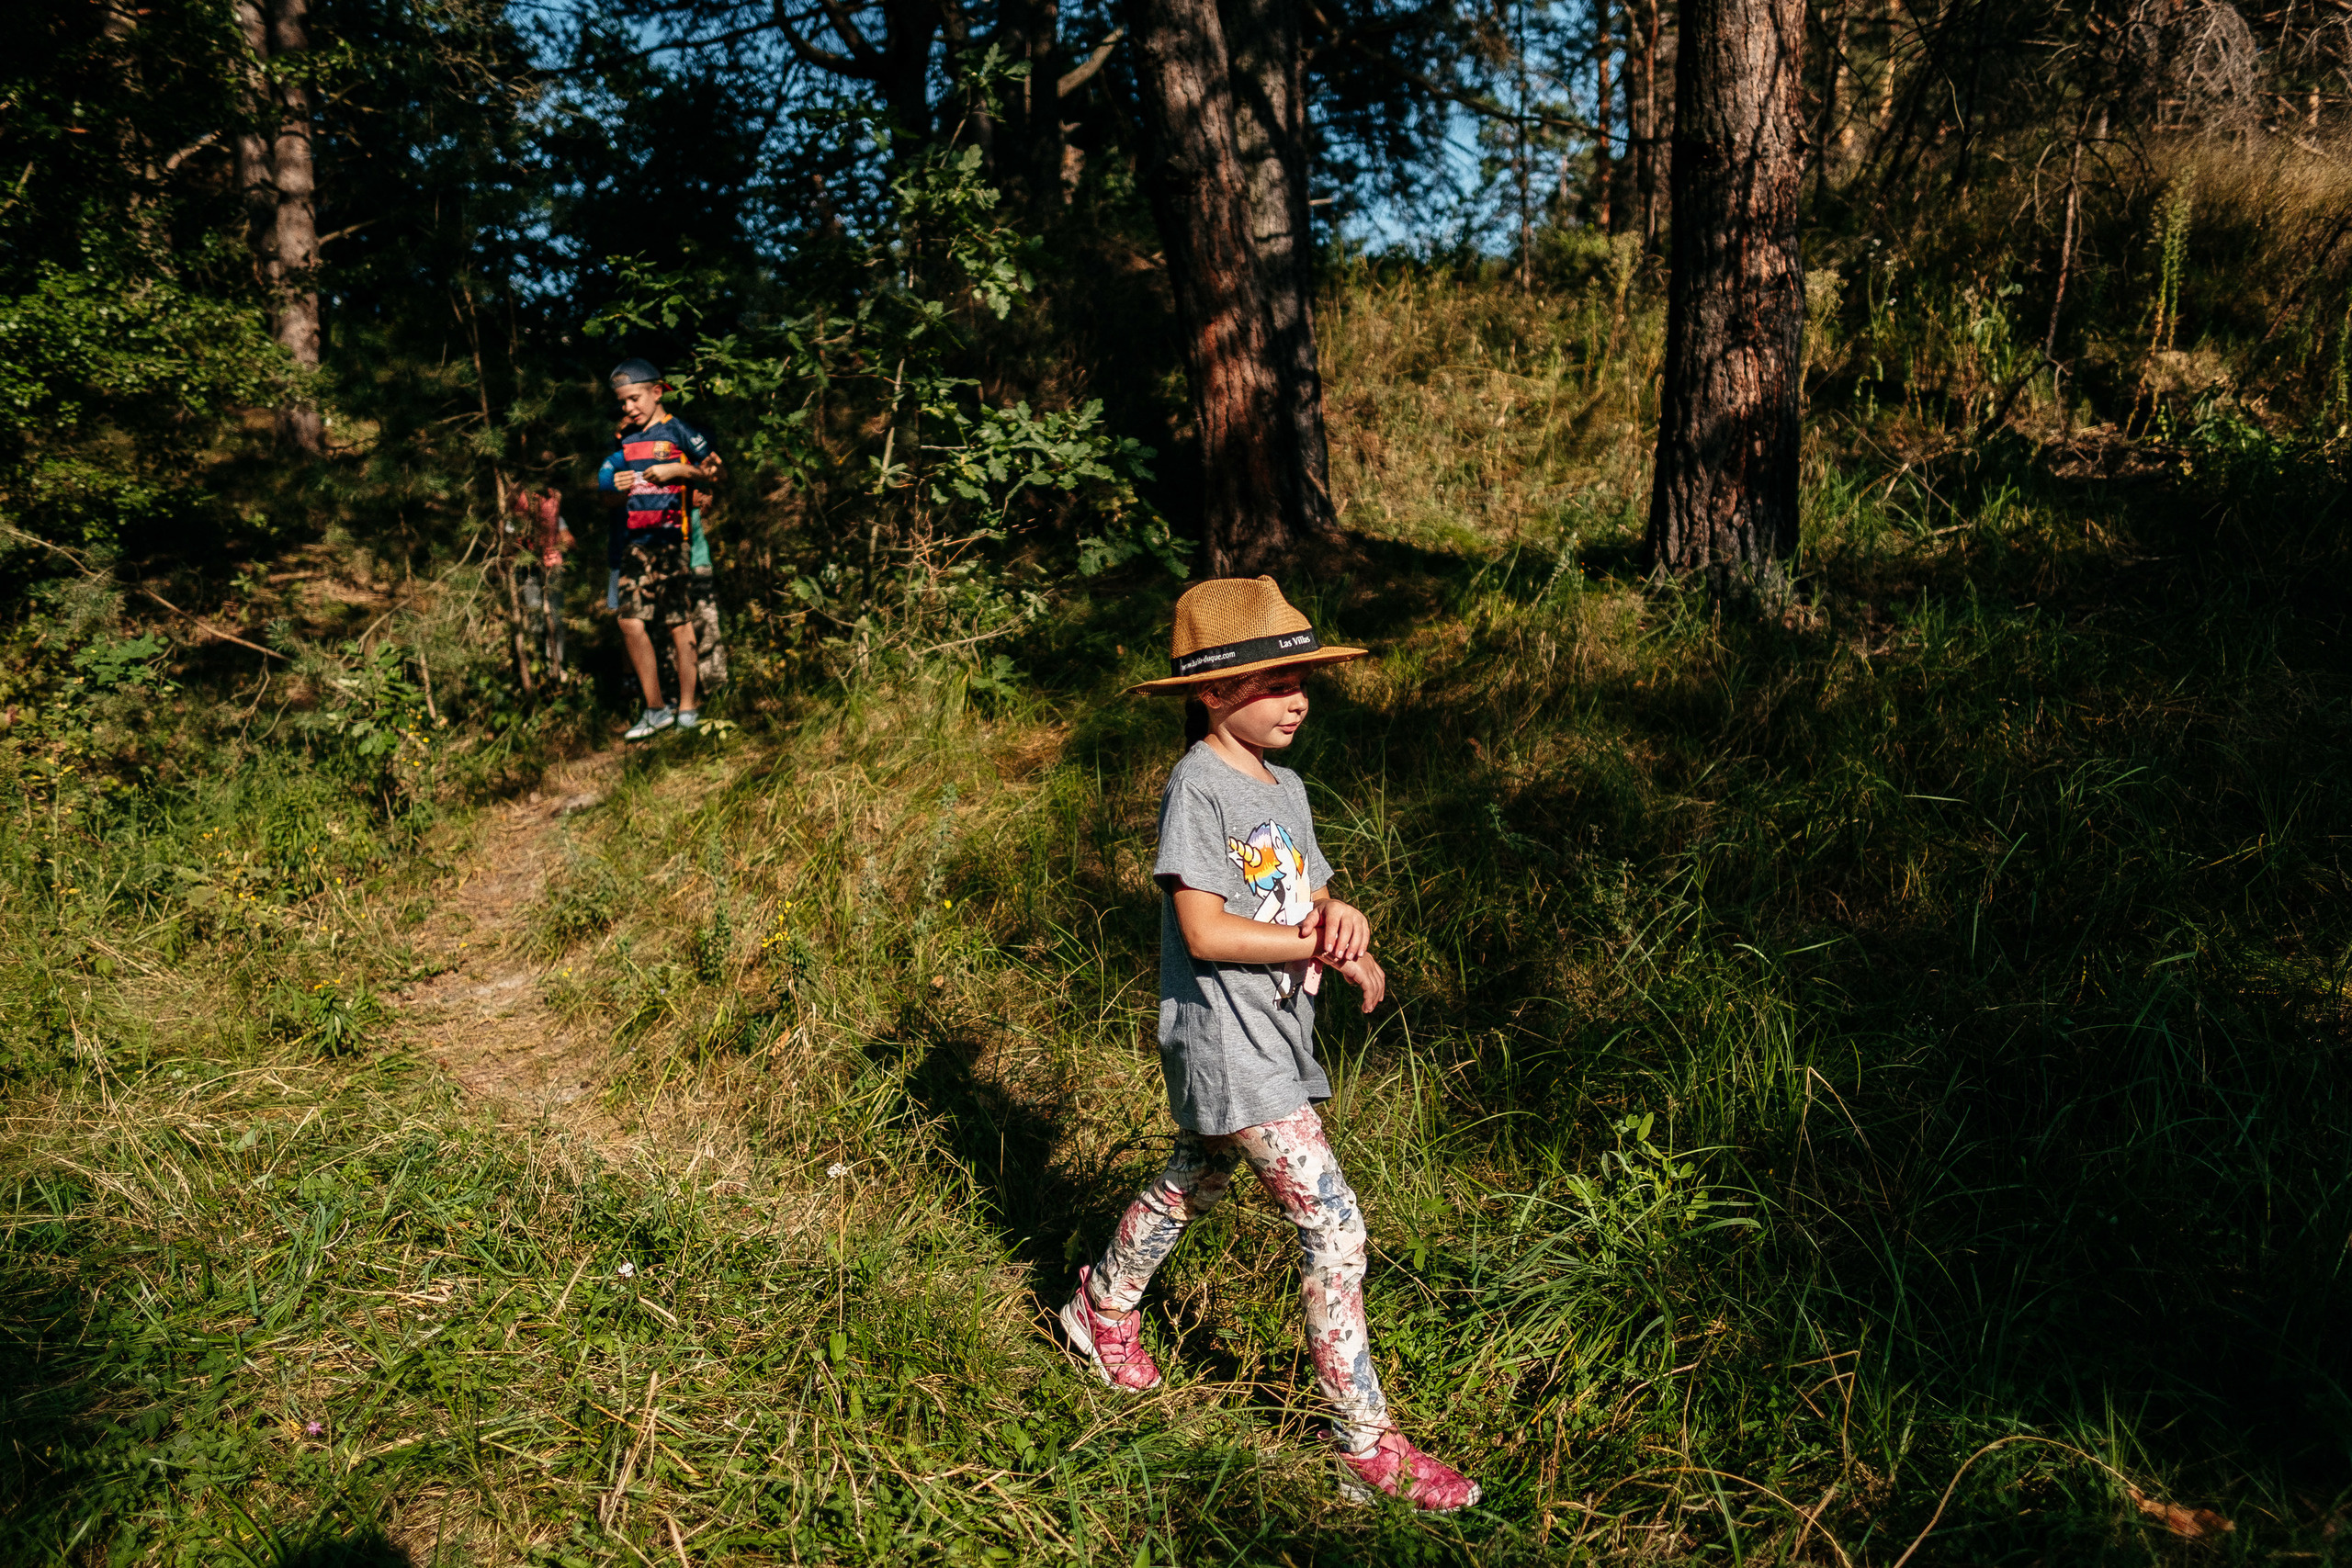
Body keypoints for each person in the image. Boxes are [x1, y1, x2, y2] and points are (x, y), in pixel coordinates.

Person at [1057, 576, 1482, 1514]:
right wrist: (1307, 940)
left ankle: (1102, 1307)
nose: (1298, 697)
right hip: (1227, 1043)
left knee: (1196, 1179)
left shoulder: (1283, 786)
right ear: (1213, 693)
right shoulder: (1197, 785)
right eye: (1274, 680)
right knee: (1336, 1229)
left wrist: (1347, 928)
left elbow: (1310, 899)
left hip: (1277, 1034)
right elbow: (1205, 931)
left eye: (1303, 679)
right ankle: (1363, 1443)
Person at [599, 358, 722, 739]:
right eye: (622, 402)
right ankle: (655, 709)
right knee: (628, 621)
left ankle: (688, 705)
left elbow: (717, 473)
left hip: (672, 541)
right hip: (636, 544)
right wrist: (614, 490)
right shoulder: (625, 441)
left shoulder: (680, 432)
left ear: (656, 392)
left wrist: (682, 472)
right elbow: (607, 498)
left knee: (676, 621)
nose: (628, 408)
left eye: (634, 399)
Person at [507, 462, 575, 677]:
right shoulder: (520, 496)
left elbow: (560, 528)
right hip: (528, 566)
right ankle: (537, 666)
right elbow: (512, 529)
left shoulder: (554, 495)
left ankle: (556, 667)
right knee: (536, 620)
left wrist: (565, 545)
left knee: (555, 619)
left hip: (552, 564)